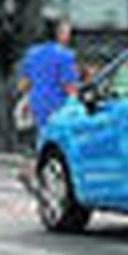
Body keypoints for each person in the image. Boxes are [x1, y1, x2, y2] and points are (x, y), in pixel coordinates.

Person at [16, 18, 79, 189]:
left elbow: (24, 84)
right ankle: (50, 178)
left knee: (39, 139)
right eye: (67, 31)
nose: (69, 35)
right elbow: (70, 87)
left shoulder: (32, 53)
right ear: (58, 33)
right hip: (57, 105)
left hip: (36, 103)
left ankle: (31, 169)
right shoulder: (65, 55)